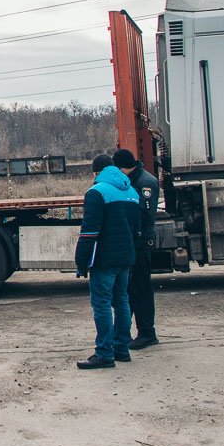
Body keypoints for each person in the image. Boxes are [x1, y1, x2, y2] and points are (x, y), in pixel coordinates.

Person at [74, 153, 141, 369]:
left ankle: (104, 352)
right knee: (121, 300)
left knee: (101, 303)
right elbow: (136, 229)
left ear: (96, 172)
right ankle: (122, 348)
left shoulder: (96, 192)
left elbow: (89, 232)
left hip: (104, 259)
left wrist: (81, 260)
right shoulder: (132, 192)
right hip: (126, 257)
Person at [113, 148, 161, 350]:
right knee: (132, 289)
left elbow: (144, 215)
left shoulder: (145, 183)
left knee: (140, 289)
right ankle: (131, 333)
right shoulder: (136, 178)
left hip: (141, 243)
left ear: (122, 166)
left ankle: (147, 333)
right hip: (136, 242)